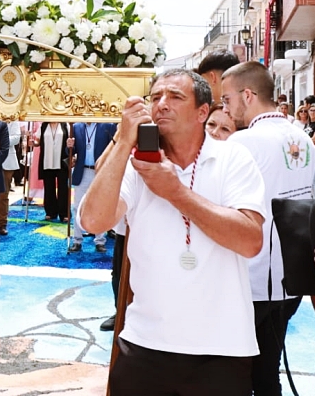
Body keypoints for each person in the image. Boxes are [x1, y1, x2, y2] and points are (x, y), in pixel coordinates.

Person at [79, 68, 266, 395]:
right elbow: (93, 222)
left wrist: (175, 191)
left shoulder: (232, 157)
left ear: (202, 112)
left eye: (175, 97)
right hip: (144, 344)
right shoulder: (137, 165)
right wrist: (124, 141)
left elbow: (250, 241)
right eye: (156, 97)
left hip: (220, 350)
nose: (161, 104)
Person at [220, 61, 315, 396]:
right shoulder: (303, 138)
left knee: (237, 372)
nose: (226, 109)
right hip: (290, 274)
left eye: (228, 100)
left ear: (248, 95)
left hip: (251, 275)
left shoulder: (244, 142)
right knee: (267, 370)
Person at [69, 122, 117, 252]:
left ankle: (100, 241)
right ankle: (77, 240)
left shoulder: (108, 126)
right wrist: (69, 146)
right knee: (77, 207)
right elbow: (70, 153)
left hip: (100, 172)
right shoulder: (76, 127)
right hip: (82, 171)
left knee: (100, 206)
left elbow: (114, 149)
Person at [36, 122, 72, 222]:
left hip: (61, 161)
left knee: (63, 188)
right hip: (47, 160)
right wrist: (32, 142)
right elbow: (37, 141)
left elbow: (71, 139)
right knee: (49, 187)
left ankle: (64, 213)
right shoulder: (43, 125)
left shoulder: (65, 125)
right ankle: (50, 212)